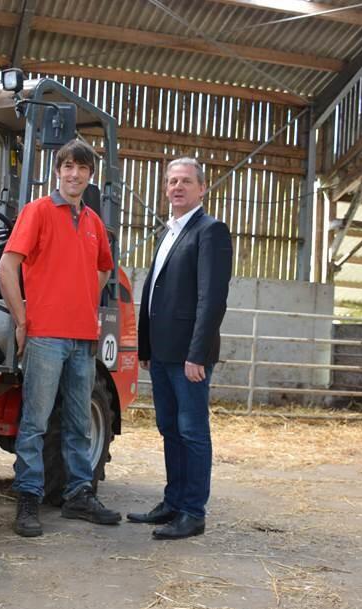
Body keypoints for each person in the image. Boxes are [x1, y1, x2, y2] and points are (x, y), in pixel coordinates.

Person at [0, 139, 122, 538]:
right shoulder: (37, 212)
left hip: (83, 338)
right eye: (68, 166)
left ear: (89, 175)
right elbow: (6, 267)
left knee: (77, 423)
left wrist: (82, 299)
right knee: (34, 423)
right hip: (45, 337)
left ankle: (78, 495)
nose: (74, 174)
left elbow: (103, 269)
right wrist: (22, 320)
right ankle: (29, 496)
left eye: (82, 168)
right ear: (58, 171)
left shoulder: (93, 224)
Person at [128, 157, 232, 540]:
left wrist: (198, 354)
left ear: (202, 189)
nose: (177, 187)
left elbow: (212, 298)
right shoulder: (169, 231)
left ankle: (192, 511)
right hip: (162, 353)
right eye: (172, 181)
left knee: (191, 431)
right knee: (169, 428)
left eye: (186, 181)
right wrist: (146, 346)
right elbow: (155, 291)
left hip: (188, 357)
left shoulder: (210, 231)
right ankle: (173, 501)